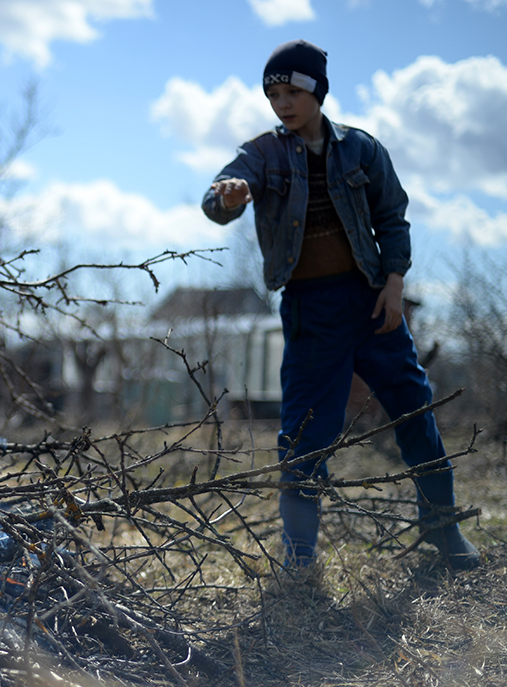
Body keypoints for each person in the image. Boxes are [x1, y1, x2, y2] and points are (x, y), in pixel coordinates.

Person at [201, 39, 479, 570]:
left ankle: (445, 533)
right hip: (310, 310)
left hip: (372, 302)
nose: (283, 103)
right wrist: (228, 196)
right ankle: (300, 554)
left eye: (293, 91)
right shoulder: (262, 153)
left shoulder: (362, 149)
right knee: (304, 432)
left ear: (318, 91)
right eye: (273, 94)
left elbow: (392, 218)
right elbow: (217, 198)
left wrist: (393, 284)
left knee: (415, 410)